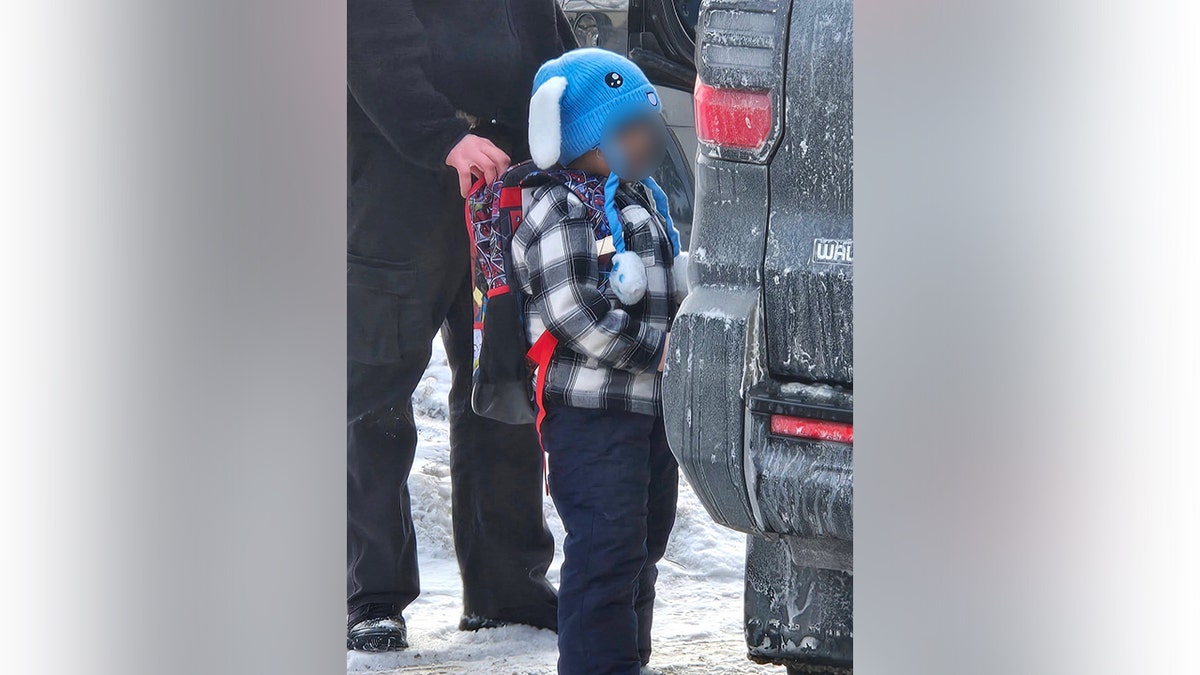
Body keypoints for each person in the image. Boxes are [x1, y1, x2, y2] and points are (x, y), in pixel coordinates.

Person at [345, 0, 577, 652]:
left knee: (502, 373)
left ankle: (507, 586)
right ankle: (372, 595)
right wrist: (439, 136)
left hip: (505, 181)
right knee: (376, 383)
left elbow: (546, 39)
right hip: (399, 182)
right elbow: (364, 32)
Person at [511, 49, 688, 675]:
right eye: (628, 129)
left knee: (643, 548)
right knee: (605, 550)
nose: (647, 140)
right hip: (590, 415)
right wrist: (655, 353)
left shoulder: (646, 201)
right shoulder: (560, 208)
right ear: (586, 139)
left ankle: (626, 662)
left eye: (647, 124)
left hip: (648, 414)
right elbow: (573, 313)